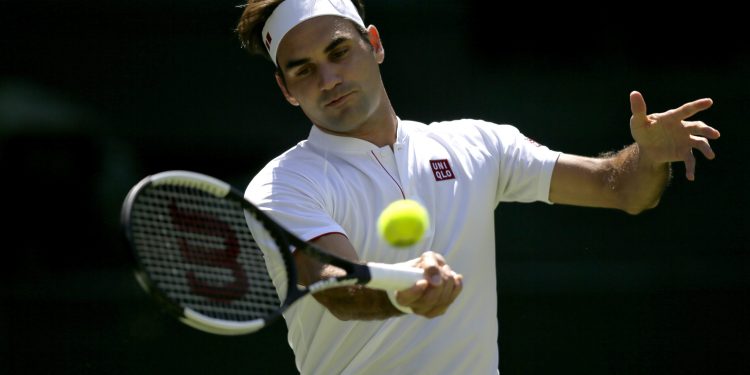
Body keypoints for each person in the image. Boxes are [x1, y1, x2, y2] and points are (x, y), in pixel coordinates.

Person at [235, 0, 720, 373]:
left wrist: (648, 156)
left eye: (339, 51)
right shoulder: (282, 186)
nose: (329, 78)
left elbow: (625, 190)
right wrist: (404, 292)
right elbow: (334, 286)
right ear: (286, 89)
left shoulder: (478, 143)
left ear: (375, 44)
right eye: (304, 70)